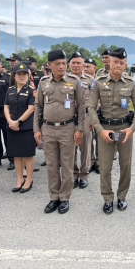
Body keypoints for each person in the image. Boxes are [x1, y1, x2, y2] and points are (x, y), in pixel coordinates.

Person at [89, 48, 135, 215]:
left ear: (125, 65)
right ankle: (107, 198)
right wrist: (100, 130)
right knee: (105, 167)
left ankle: (122, 196)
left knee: (125, 165)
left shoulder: (131, 83)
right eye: (115, 62)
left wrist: (132, 128)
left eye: (121, 63)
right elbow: (91, 107)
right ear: (109, 63)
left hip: (124, 129)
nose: (118, 65)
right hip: (105, 130)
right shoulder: (97, 82)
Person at [34, 49, 85, 214]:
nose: (62, 66)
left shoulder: (74, 81)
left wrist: (80, 129)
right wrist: (36, 129)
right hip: (48, 128)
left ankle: (64, 198)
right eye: (58, 64)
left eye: (64, 63)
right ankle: (53, 197)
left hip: (67, 129)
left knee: (67, 165)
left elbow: (82, 107)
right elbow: (38, 106)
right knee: (51, 165)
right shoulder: (43, 82)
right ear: (50, 65)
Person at [4, 63, 36, 193]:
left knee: (28, 155)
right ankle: (19, 179)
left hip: (26, 127)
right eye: (19, 74)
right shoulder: (10, 90)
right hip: (12, 126)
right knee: (16, 155)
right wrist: (10, 121)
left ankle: (29, 179)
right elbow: (6, 106)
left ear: (29, 75)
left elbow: (31, 108)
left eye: (24, 74)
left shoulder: (32, 91)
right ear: (14, 75)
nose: (22, 76)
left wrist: (18, 121)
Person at [69, 52, 94, 189]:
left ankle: (84, 175)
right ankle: (73, 174)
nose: (76, 65)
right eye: (73, 62)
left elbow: (96, 100)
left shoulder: (90, 80)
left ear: (84, 65)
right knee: (70, 148)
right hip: (69, 117)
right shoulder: (65, 79)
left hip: (86, 116)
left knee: (85, 148)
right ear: (69, 65)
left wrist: (94, 118)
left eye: (79, 63)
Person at [96, 50, 118, 161]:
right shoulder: (100, 73)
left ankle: (115, 150)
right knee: (105, 130)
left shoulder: (119, 70)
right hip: (104, 106)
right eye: (103, 57)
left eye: (107, 57)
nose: (105, 59)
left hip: (118, 106)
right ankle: (105, 151)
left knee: (117, 129)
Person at [84, 58, 100, 174]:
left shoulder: (101, 80)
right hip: (87, 115)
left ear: (95, 68)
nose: (85, 69)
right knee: (88, 140)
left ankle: (99, 162)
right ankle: (90, 161)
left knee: (99, 140)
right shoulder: (82, 81)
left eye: (88, 66)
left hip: (99, 114)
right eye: (84, 66)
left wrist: (97, 117)